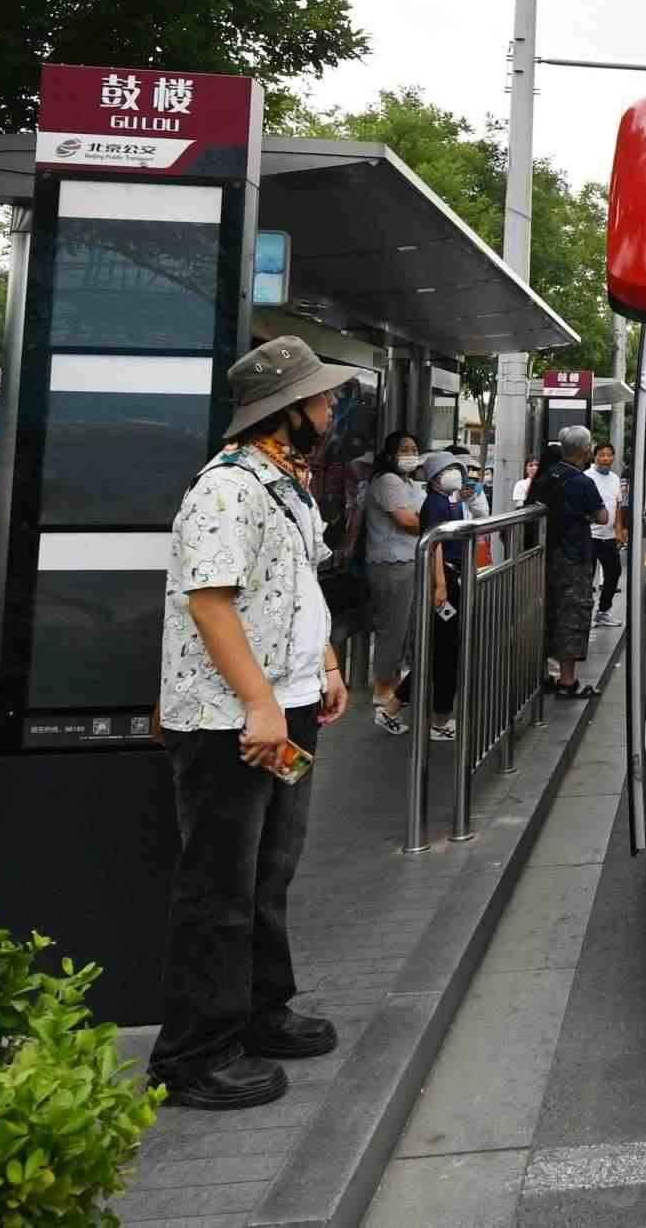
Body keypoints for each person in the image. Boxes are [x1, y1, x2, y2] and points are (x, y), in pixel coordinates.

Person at [151, 336, 357, 1111]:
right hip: (231, 720)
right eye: (321, 398)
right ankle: (193, 1055)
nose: (330, 409)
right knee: (220, 885)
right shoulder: (227, 489)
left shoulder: (287, 486)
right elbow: (210, 602)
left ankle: (262, 1011)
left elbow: (298, 587)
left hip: (287, 706)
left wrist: (324, 666)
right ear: (287, 409)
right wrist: (262, 704)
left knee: (270, 870)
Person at [532, 427, 610, 697]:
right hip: (573, 556)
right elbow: (603, 517)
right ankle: (567, 681)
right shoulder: (581, 482)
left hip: (545, 555)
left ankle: (543, 675)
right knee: (572, 614)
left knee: (547, 612)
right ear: (585, 451)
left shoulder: (546, 476)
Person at [363, 431, 426, 734]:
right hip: (391, 564)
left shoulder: (409, 483)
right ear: (390, 455)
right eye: (404, 449)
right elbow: (408, 520)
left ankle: (393, 684)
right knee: (393, 629)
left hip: (408, 562)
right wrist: (435, 520)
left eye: (414, 449)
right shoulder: (387, 481)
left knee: (404, 629)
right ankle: (383, 690)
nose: (411, 454)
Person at [417, 452, 468, 742]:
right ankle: (439, 720)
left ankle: (394, 706)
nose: (455, 474)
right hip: (444, 578)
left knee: (442, 647)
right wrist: (440, 585)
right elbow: (434, 546)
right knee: (445, 649)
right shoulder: (435, 504)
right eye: (448, 470)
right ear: (435, 476)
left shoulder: (447, 502)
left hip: (449, 576)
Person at [589, 443, 625, 628]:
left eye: (609, 455)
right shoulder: (587, 477)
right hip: (589, 536)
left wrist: (619, 529)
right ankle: (585, 614)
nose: (605, 458)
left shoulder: (615, 479)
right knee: (587, 576)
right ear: (594, 457)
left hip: (609, 536)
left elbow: (617, 506)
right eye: (602, 455)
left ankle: (603, 611)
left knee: (614, 572)